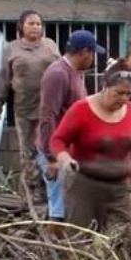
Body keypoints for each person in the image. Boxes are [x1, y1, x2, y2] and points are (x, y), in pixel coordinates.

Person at [49, 61, 131, 232]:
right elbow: (58, 140)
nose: (123, 99)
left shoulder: (129, 110)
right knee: (82, 239)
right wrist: (65, 159)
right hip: (84, 187)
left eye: (128, 94)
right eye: (118, 93)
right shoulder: (81, 110)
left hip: (118, 189)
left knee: (123, 237)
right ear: (105, 86)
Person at [0, 10, 59, 205]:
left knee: (48, 149)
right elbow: (4, 79)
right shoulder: (12, 49)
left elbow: (63, 70)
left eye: (38, 23)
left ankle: (49, 190)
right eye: (31, 23)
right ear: (21, 26)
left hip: (49, 108)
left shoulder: (50, 46)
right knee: (29, 152)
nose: (36, 27)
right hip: (24, 109)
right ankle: (31, 192)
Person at [37, 30, 104, 222]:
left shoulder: (75, 73)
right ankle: (56, 248)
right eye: (93, 53)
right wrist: (52, 156)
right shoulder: (58, 74)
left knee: (69, 202)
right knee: (59, 205)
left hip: (68, 147)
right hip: (57, 150)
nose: (93, 59)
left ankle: (66, 242)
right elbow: (47, 115)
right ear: (84, 52)